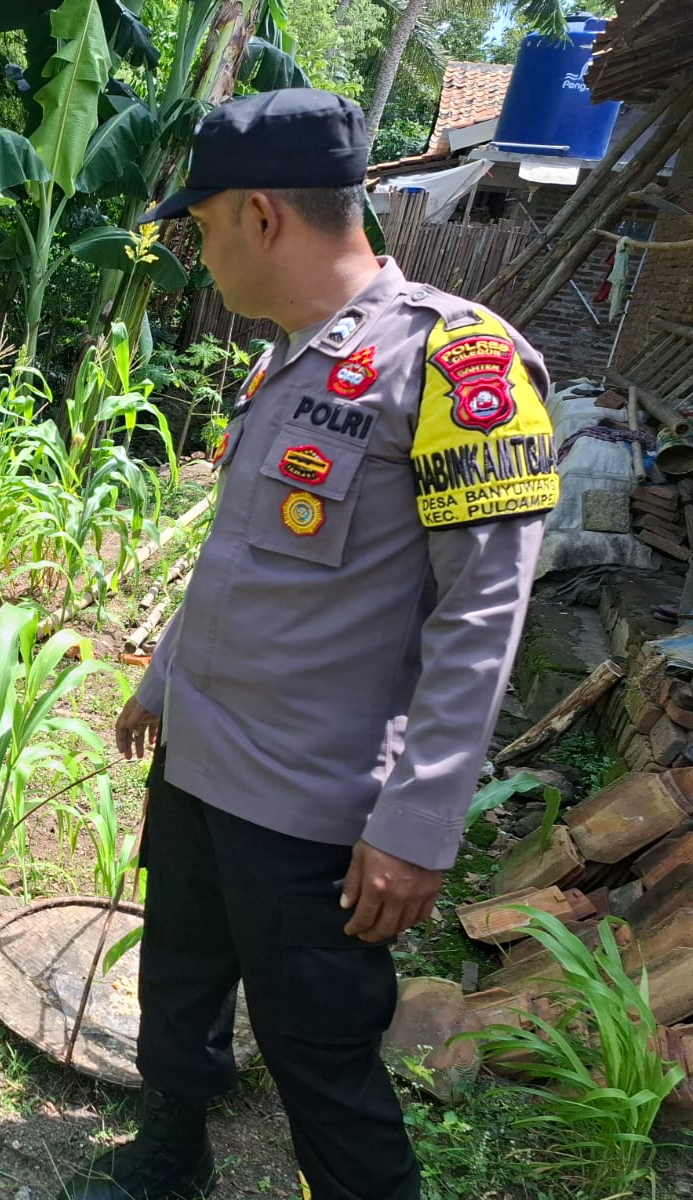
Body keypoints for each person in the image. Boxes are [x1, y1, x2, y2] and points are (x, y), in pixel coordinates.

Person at [65, 89, 559, 1200]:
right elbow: (239, 556)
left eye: (203, 229)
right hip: (199, 764)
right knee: (180, 980)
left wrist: (417, 827)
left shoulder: (453, 365)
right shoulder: (284, 362)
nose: (201, 257)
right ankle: (168, 1156)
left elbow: (482, 617)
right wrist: (162, 678)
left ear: (261, 215)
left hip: (308, 807)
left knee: (320, 1052)